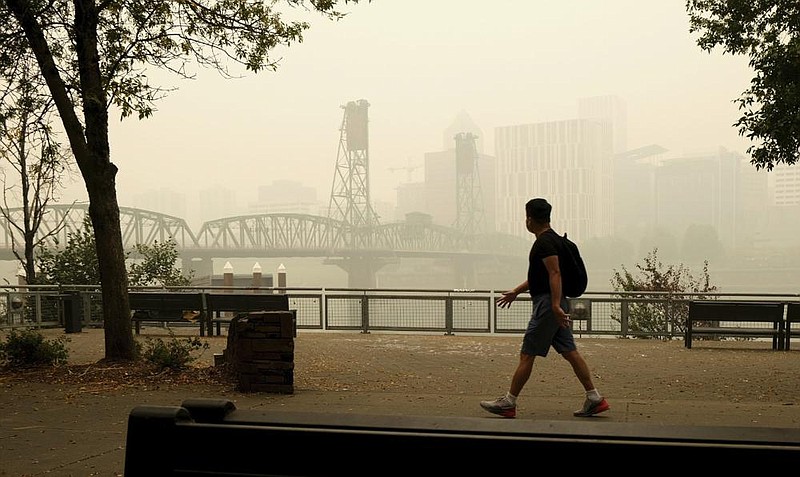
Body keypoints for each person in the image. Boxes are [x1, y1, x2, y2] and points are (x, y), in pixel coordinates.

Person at [480, 197, 609, 418]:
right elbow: (541, 276)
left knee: (527, 354)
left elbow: (554, 273)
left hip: (549, 305)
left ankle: (508, 403)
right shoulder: (555, 240)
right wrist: (516, 292)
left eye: (526, 217)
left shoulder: (544, 243)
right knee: (570, 352)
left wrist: (556, 306)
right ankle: (594, 398)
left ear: (529, 219)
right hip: (555, 302)